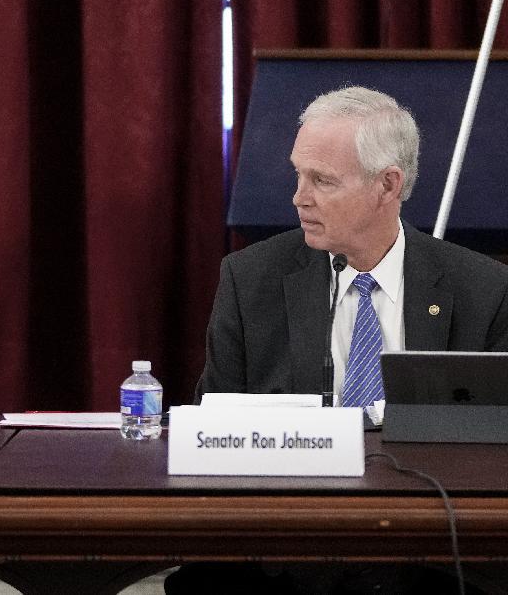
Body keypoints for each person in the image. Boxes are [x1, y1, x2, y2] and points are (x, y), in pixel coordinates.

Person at [167, 87, 508, 593]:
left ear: (387, 185)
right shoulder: (250, 280)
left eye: (322, 180)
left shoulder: (483, 289)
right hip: (286, 550)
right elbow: (213, 429)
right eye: (298, 174)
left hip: (428, 552)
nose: (299, 197)